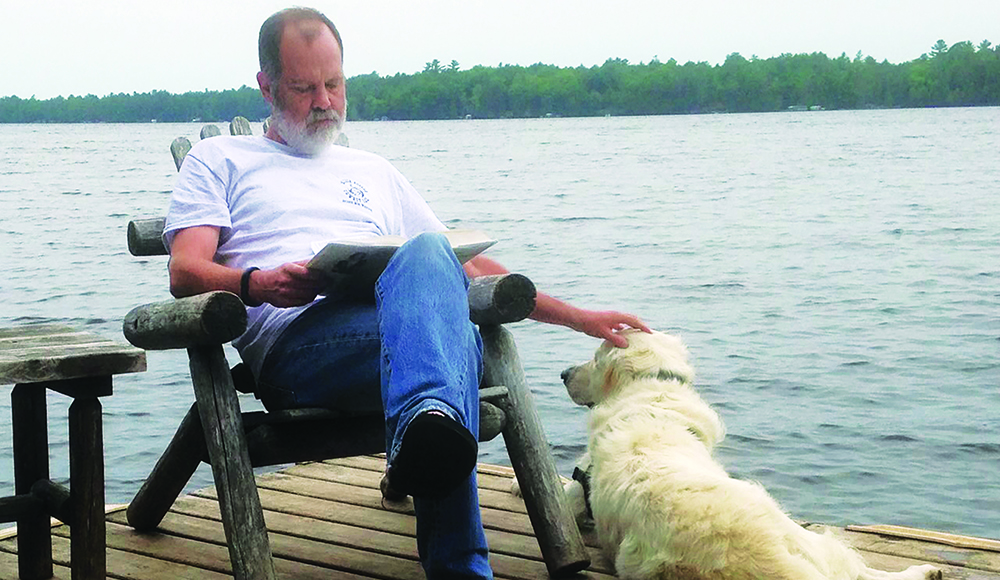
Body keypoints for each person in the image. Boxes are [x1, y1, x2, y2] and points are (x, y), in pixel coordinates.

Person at [164, 7, 650, 579]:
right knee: (446, 355)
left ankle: (426, 422)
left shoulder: (372, 169)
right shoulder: (220, 159)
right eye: (303, 88)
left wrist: (579, 317)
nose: (324, 102)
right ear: (266, 87)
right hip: (301, 343)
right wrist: (257, 283)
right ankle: (458, 557)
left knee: (428, 252)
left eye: (334, 84)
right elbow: (185, 270)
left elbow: (464, 264)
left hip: (401, 334)